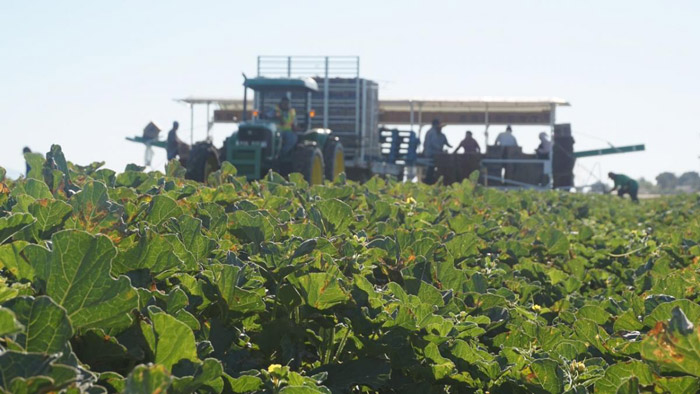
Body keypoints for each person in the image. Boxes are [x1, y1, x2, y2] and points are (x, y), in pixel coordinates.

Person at [423, 119, 452, 183]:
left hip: (431, 153)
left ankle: (432, 178)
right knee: (435, 165)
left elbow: (446, 143)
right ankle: (431, 179)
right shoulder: (432, 132)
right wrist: (441, 150)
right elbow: (434, 144)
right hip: (431, 153)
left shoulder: (434, 132)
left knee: (432, 167)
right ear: (436, 124)